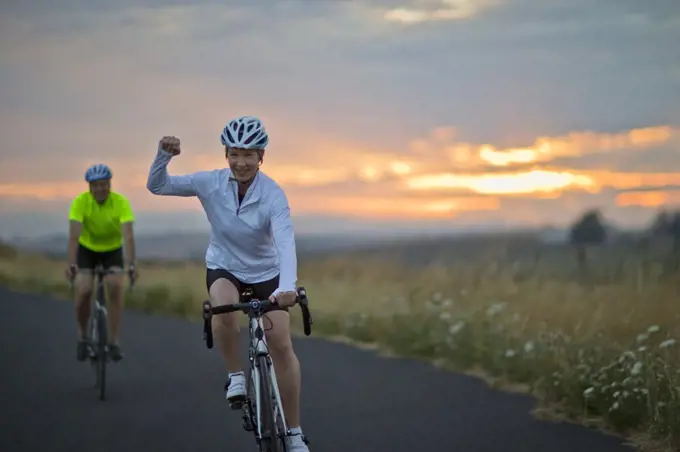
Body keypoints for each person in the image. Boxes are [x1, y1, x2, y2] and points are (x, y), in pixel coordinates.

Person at [146, 116, 310, 451]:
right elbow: (158, 186)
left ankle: (293, 433)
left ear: (261, 156)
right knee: (222, 307)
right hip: (225, 266)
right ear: (225, 154)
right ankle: (236, 376)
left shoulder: (273, 195)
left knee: (281, 345)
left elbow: (285, 244)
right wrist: (164, 156)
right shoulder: (210, 183)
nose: (241, 162)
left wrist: (287, 287)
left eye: (249, 154)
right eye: (234, 153)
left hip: (268, 273)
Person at [66, 163, 138, 362]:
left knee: (115, 286)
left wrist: (131, 265)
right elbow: (73, 236)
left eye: (104, 184)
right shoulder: (80, 202)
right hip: (87, 250)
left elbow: (129, 236)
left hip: (112, 251)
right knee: (83, 290)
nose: (100, 189)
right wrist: (72, 264)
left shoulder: (120, 202)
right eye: (95, 185)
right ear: (89, 187)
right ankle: (82, 336)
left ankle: (113, 342)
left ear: (110, 184)